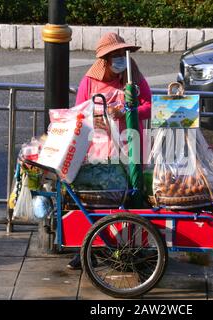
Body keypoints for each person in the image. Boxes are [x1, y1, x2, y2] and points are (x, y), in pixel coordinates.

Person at [67, 32, 152, 270]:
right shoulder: (90, 81)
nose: (118, 61)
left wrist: (125, 111)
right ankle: (89, 249)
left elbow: (148, 105)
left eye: (120, 56)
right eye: (113, 56)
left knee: (128, 195)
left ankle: (130, 248)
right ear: (104, 59)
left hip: (129, 146)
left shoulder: (132, 78)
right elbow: (79, 113)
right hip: (97, 148)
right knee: (96, 198)